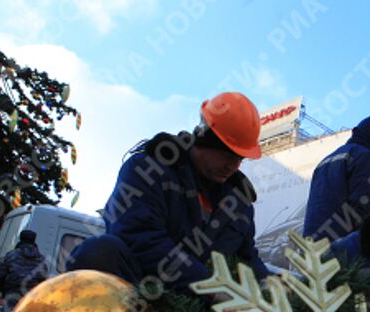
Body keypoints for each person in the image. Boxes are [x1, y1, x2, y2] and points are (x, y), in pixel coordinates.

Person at [70, 92, 268, 292]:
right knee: (99, 251)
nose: (233, 166)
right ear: (203, 139)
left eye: (240, 159)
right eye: (227, 155)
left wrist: (272, 284)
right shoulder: (148, 170)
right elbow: (138, 238)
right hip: (136, 293)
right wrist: (209, 288)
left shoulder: (239, 204)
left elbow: (247, 260)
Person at [303, 114, 370, 242]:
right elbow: (362, 206)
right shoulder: (365, 156)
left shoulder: (326, 160)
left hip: (311, 243)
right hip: (339, 245)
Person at [0, 229, 48, 312]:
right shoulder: (41, 259)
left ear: (21, 239)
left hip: (12, 298)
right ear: (34, 240)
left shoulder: (11, 255)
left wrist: (4, 291)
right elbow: (44, 282)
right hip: (31, 301)